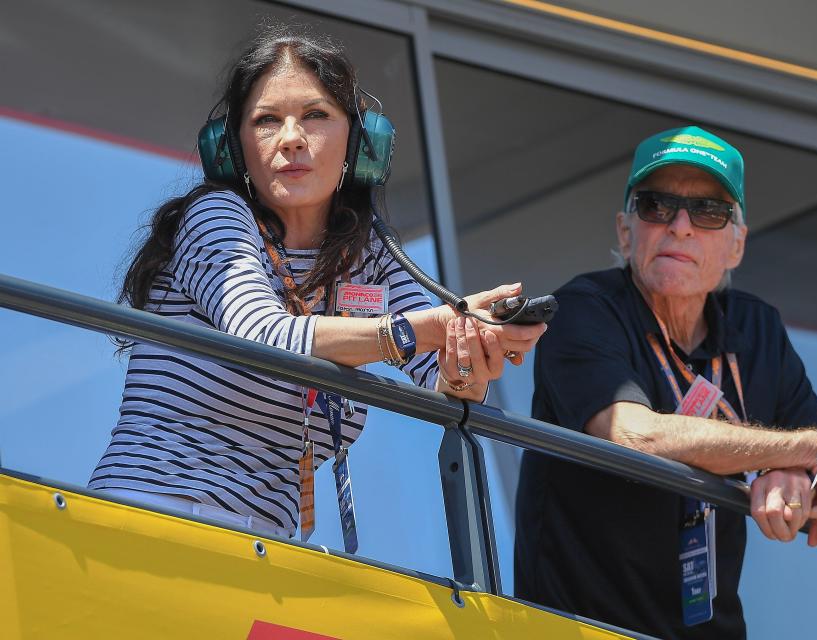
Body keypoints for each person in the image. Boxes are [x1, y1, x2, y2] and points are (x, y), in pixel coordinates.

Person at [88, 26, 545, 539]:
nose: (291, 139)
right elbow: (262, 335)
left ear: (360, 140)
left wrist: (469, 355)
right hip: (149, 516)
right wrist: (424, 329)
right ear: (234, 151)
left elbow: (441, 380)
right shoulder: (214, 215)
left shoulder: (370, 250)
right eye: (266, 121)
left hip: (266, 547)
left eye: (315, 115)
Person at [514, 126, 817, 639]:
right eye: (656, 206)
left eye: (709, 212)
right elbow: (633, 434)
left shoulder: (757, 328)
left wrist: (807, 480)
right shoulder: (584, 310)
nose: (680, 226)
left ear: (737, 245)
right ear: (624, 230)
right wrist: (799, 450)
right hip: (577, 627)